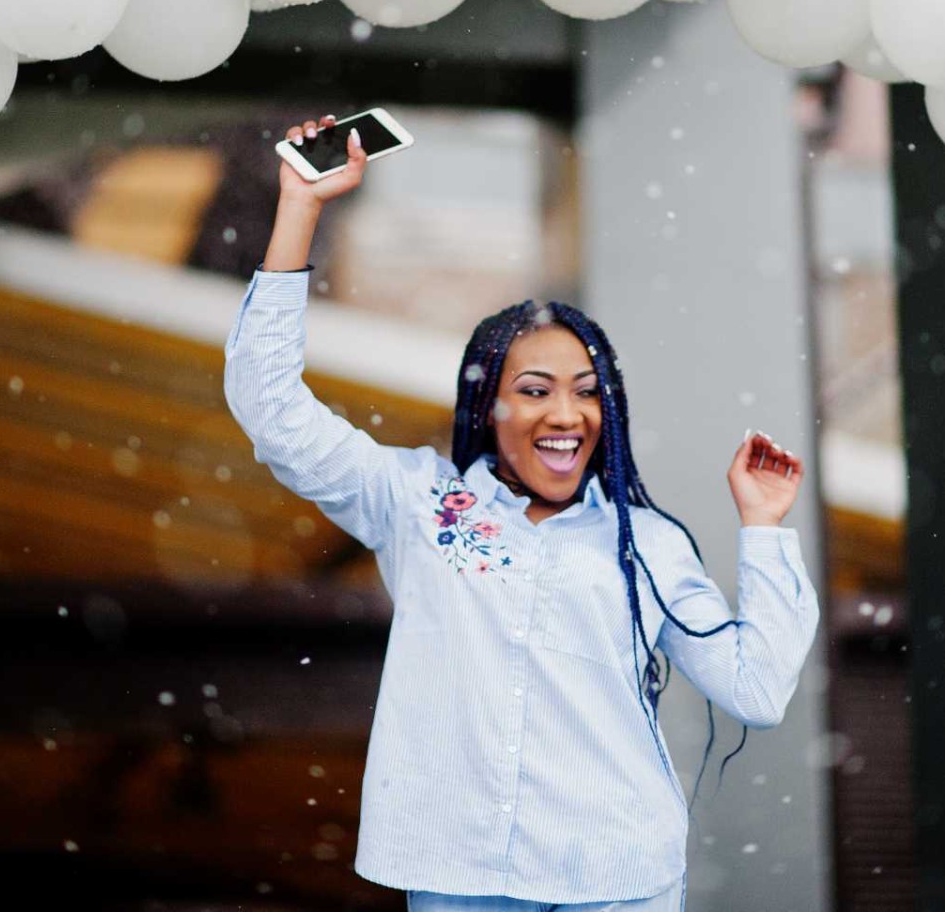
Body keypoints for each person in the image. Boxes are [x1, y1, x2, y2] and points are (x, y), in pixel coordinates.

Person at [225, 115, 821, 911]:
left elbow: (756, 690)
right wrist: (300, 206)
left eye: (585, 392)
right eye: (535, 391)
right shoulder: (419, 502)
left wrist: (764, 527)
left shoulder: (644, 544)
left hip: (617, 880)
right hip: (457, 876)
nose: (565, 414)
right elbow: (271, 409)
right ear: (489, 408)